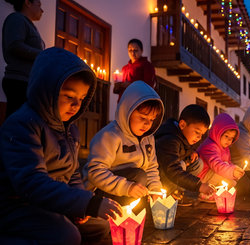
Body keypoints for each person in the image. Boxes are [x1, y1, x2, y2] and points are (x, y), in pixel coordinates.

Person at [0, 48, 122, 244]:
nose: (76, 106)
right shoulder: (22, 125)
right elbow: (32, 183)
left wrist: (81, 205)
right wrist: (87, 203)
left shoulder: (69, 130)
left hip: (52, 202)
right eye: (69, 97)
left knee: (101, 225)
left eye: (81, 99)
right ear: (46, 89)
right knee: (67, 235)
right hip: (18, 205)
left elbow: (72, 173)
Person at [83, 81, 164, 207]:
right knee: (140, 176)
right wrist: (127, 187)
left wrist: (156, 189)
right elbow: (95, 172)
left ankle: (125, 211)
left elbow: (151, 167)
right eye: (142, 118)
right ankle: (110, 210)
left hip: (127, 186)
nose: (147, 124)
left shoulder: (148, 139)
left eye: (152, 120)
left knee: (142, 179)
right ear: (127, 111)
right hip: (97, 191)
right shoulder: (110, 136)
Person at [155, 104, 215, 206]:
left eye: (202, 134)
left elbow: (183, 150)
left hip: (171, 173)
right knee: (181, 165)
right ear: (182, 125)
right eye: (197, 132)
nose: (199, 138)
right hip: (159, 177)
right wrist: (199, 185)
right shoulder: (170, 139)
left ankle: (178, 192)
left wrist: (190, 153)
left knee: (197, 163)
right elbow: (172, 169)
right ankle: (170, 195)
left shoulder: (182, 136)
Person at [2, 0, 45, 118]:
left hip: (28, 82)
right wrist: (44, 54)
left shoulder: (30, 25)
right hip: (18, 81)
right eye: (39, 5)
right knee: (17, 123)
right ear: (27, 2)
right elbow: (15, 46)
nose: (42, 10)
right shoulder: (16, 19)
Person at [197, 113, 245, 202]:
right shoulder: (210, 146)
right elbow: (217, 165)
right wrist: (232, 171)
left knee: (233, 182)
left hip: (213, 176)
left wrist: (235, 171)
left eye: (231, 138)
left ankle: (215, 191)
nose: (228, 140)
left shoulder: (225, 148)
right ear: (217, 132)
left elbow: (228, 162)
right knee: (226, 171)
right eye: (226, 136)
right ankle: (204, 194)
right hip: (201, 179)